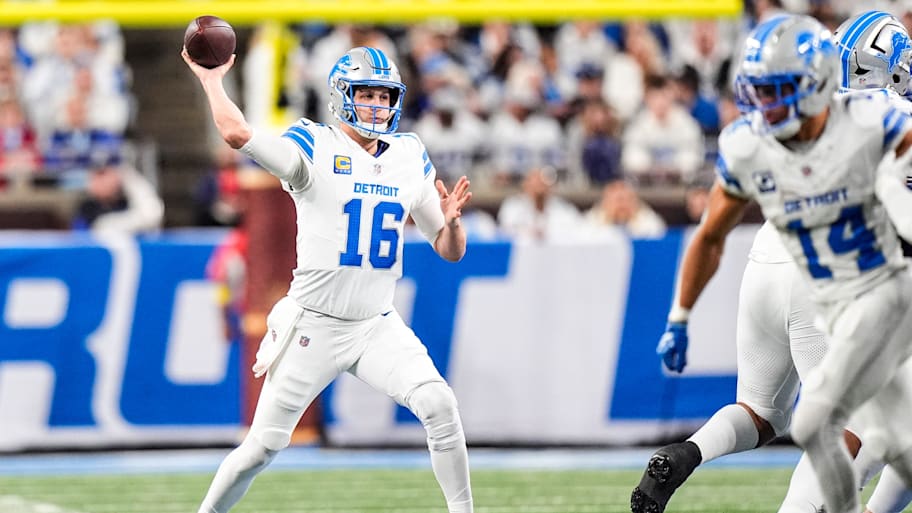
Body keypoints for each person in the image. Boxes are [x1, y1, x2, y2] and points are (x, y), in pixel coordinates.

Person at [631, 14, 912, 513]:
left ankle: (689, 452)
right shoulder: (891, 117)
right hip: (832, 279)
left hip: (766, 259)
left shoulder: (769, 122)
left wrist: (679, 317)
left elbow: (710, 232)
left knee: (762, 411)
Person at [182, 45, 475, 513]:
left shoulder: (409, 154)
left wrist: (453, 223)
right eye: (367, 94)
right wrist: (212, 80)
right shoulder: (315, 145)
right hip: (313, 325)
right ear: (342, 96)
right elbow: (237, 134)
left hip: (375, 323)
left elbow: (449, 250)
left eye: (385, 96)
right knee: (261, 448)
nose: (377, 105)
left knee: (439, 405)